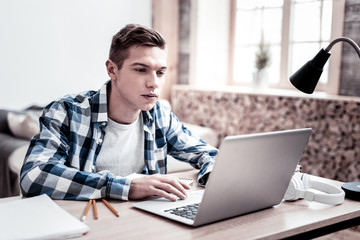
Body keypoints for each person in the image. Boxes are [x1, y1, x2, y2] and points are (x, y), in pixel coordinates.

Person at [20, 24, 218, 201]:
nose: (154, 83)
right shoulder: (66, 112)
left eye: (160, 72)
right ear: (112, 70)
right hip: (88, 223)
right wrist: (126, 187)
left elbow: (209, 154)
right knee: (16, 120)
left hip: (140, 221)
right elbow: (34, 175)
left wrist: (213, 177)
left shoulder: (160, 115)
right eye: (141, 70)